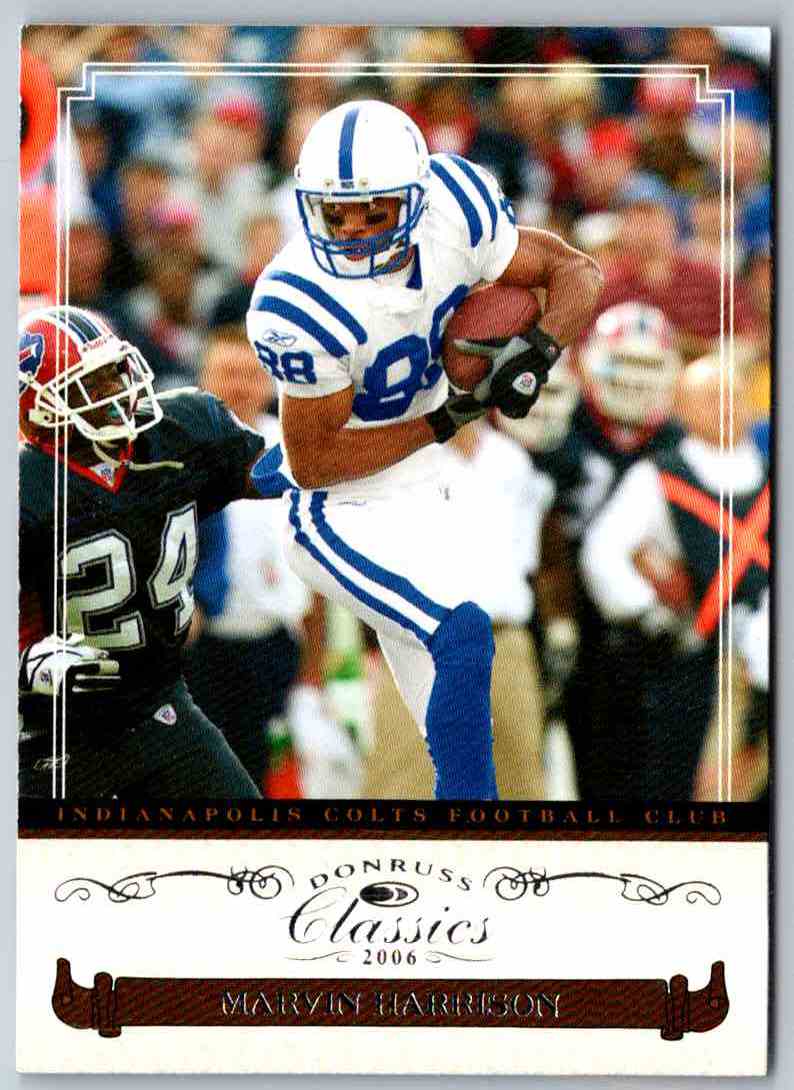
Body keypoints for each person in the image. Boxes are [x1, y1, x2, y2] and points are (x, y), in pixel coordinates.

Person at [246, 99, 602, 800]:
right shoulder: (296, 301)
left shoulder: (455, 210)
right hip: (336, 507)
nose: (351, 232)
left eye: (372, 212)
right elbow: (315, 462)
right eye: (335, 215)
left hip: (425, 488)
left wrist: (536, 351)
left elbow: (576, 272)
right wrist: (445, 417)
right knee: (462, 635)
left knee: (457, 729)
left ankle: (467, 830)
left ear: (415, 200)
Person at [18, 305, 268, 797]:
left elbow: (288, 474)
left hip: (159, 709)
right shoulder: (25, 492)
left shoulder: (179, 432)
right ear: (45, 407)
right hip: (51, 738)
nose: (119, 391)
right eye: (93, 384)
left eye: (115, 371)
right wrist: (25, 665)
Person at [580, 356, 769, 799]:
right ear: (681, 407)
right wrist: (649, 611)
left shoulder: (771, 474)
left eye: (732, 396)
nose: (725, 407)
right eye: (710, 398)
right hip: (690, 667)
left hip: (762, 662)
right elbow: (602, 553)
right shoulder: (658, 474)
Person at [533, 301, 685, 797]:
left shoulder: (675, 443)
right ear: (590, 359)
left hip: (644, 625)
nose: (636, 378)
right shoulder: (559, 426)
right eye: (625, 360)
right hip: (563, 615)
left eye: (648, 364)